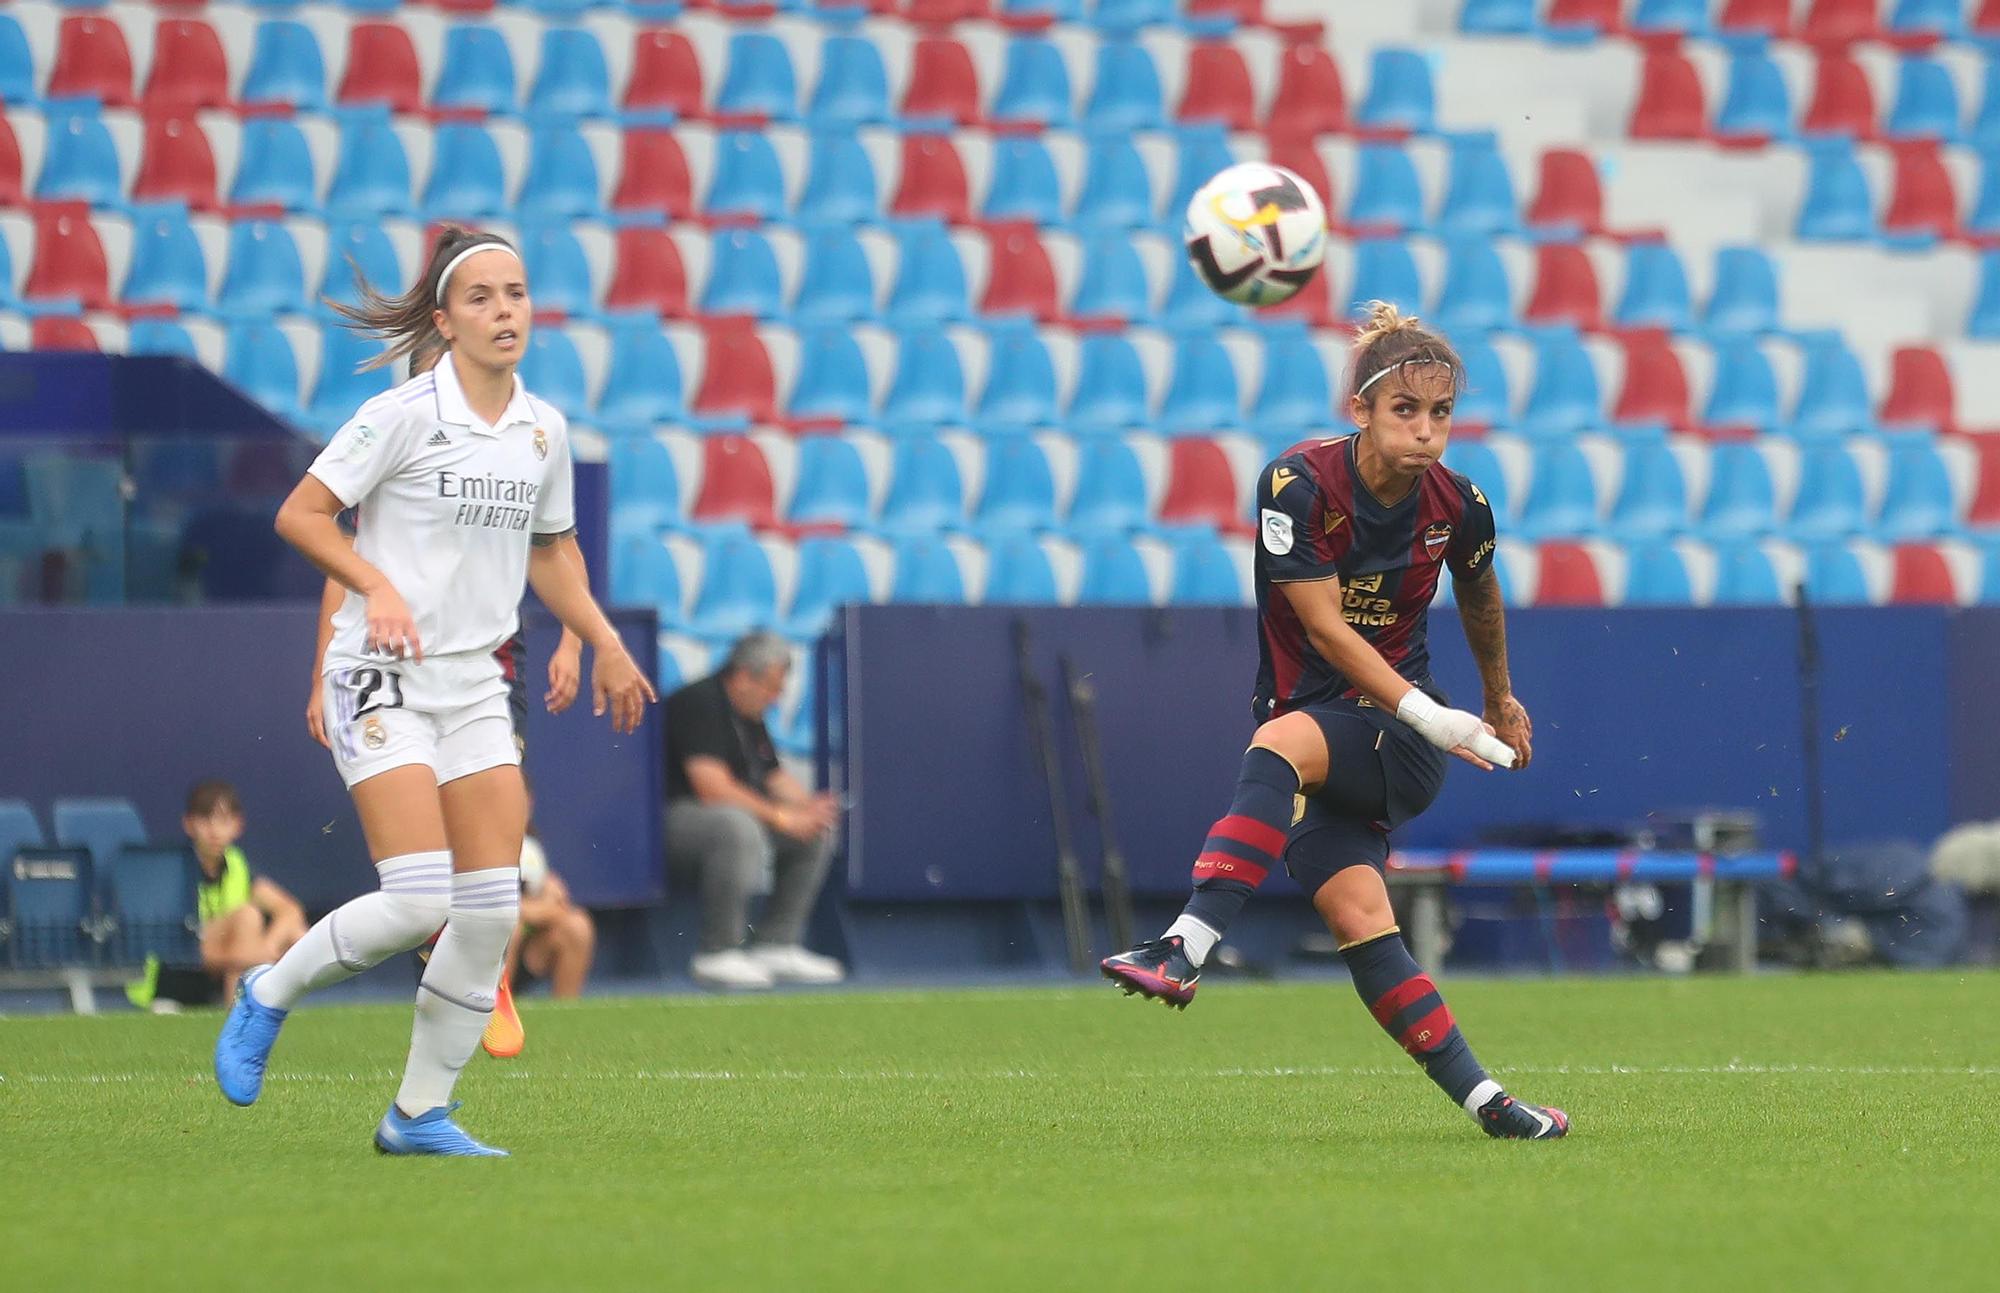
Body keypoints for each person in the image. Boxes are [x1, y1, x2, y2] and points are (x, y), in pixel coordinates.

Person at [215, 224, 656, 1157]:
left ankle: (418, 1114)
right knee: (420, 898)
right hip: (375, 674)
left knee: (492, 909)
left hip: (474, 682)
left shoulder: (545, 429)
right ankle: (267, 991)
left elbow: (554, 551)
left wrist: (600, 636)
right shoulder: (402, 415)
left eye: (518, 293)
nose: (505, 312)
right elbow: (303, 513)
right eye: (483, 297)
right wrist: (374, 585)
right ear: (447, 321)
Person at [1100, 302, 1569, 1141]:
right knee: (1362, 922)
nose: (1427, 431)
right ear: (1361, 409)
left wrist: (1497, 697)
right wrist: (1442, 716)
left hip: (1391, 738)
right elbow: (1322, 626)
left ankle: (1182, 947)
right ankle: (1492, 1103)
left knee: (1279, 743)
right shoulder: (1298, 484)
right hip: (1376, 723)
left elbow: (1480, 591)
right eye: (1406, 410)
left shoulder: (1460, 504)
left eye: (1442, 413)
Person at [663, 631, 843, 990]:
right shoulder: (699, 701)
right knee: (737, 826)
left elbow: (774, 777)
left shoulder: (749, 712)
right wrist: (781, 817)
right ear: (745, 676)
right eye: (772, 689)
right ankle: (718, 951)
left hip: (716, 816)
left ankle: (776, 943)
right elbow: (711, 787)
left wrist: (810, 808)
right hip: (673, 818)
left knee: (814, 832)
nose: (775, 700)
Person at [128, 781, 308, 1011]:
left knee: (296, 932)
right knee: (248, 916)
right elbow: (174, 946)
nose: (214, 831)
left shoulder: (236, 862)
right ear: (188, 824)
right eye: (205, 820)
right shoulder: (175, 867)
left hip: (227, 968)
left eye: (223, 821)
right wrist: (261, 957)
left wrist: (267, 947)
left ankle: (256, 1013)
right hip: (179, 972)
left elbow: (290, 909)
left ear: (237, 825)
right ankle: (247, 1017)